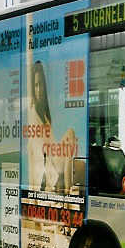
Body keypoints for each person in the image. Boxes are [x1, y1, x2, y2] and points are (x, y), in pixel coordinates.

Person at [26, 60, 77, 192]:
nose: (38, 90)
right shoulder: (33, 113)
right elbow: (38, 153)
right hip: (45, 170)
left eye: (41, 85)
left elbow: (51, 148)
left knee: (70, 136)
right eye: (35, 85)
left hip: (51, 161)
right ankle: (68, 188)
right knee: (70, 136)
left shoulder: (46, 116)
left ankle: (68, 188)